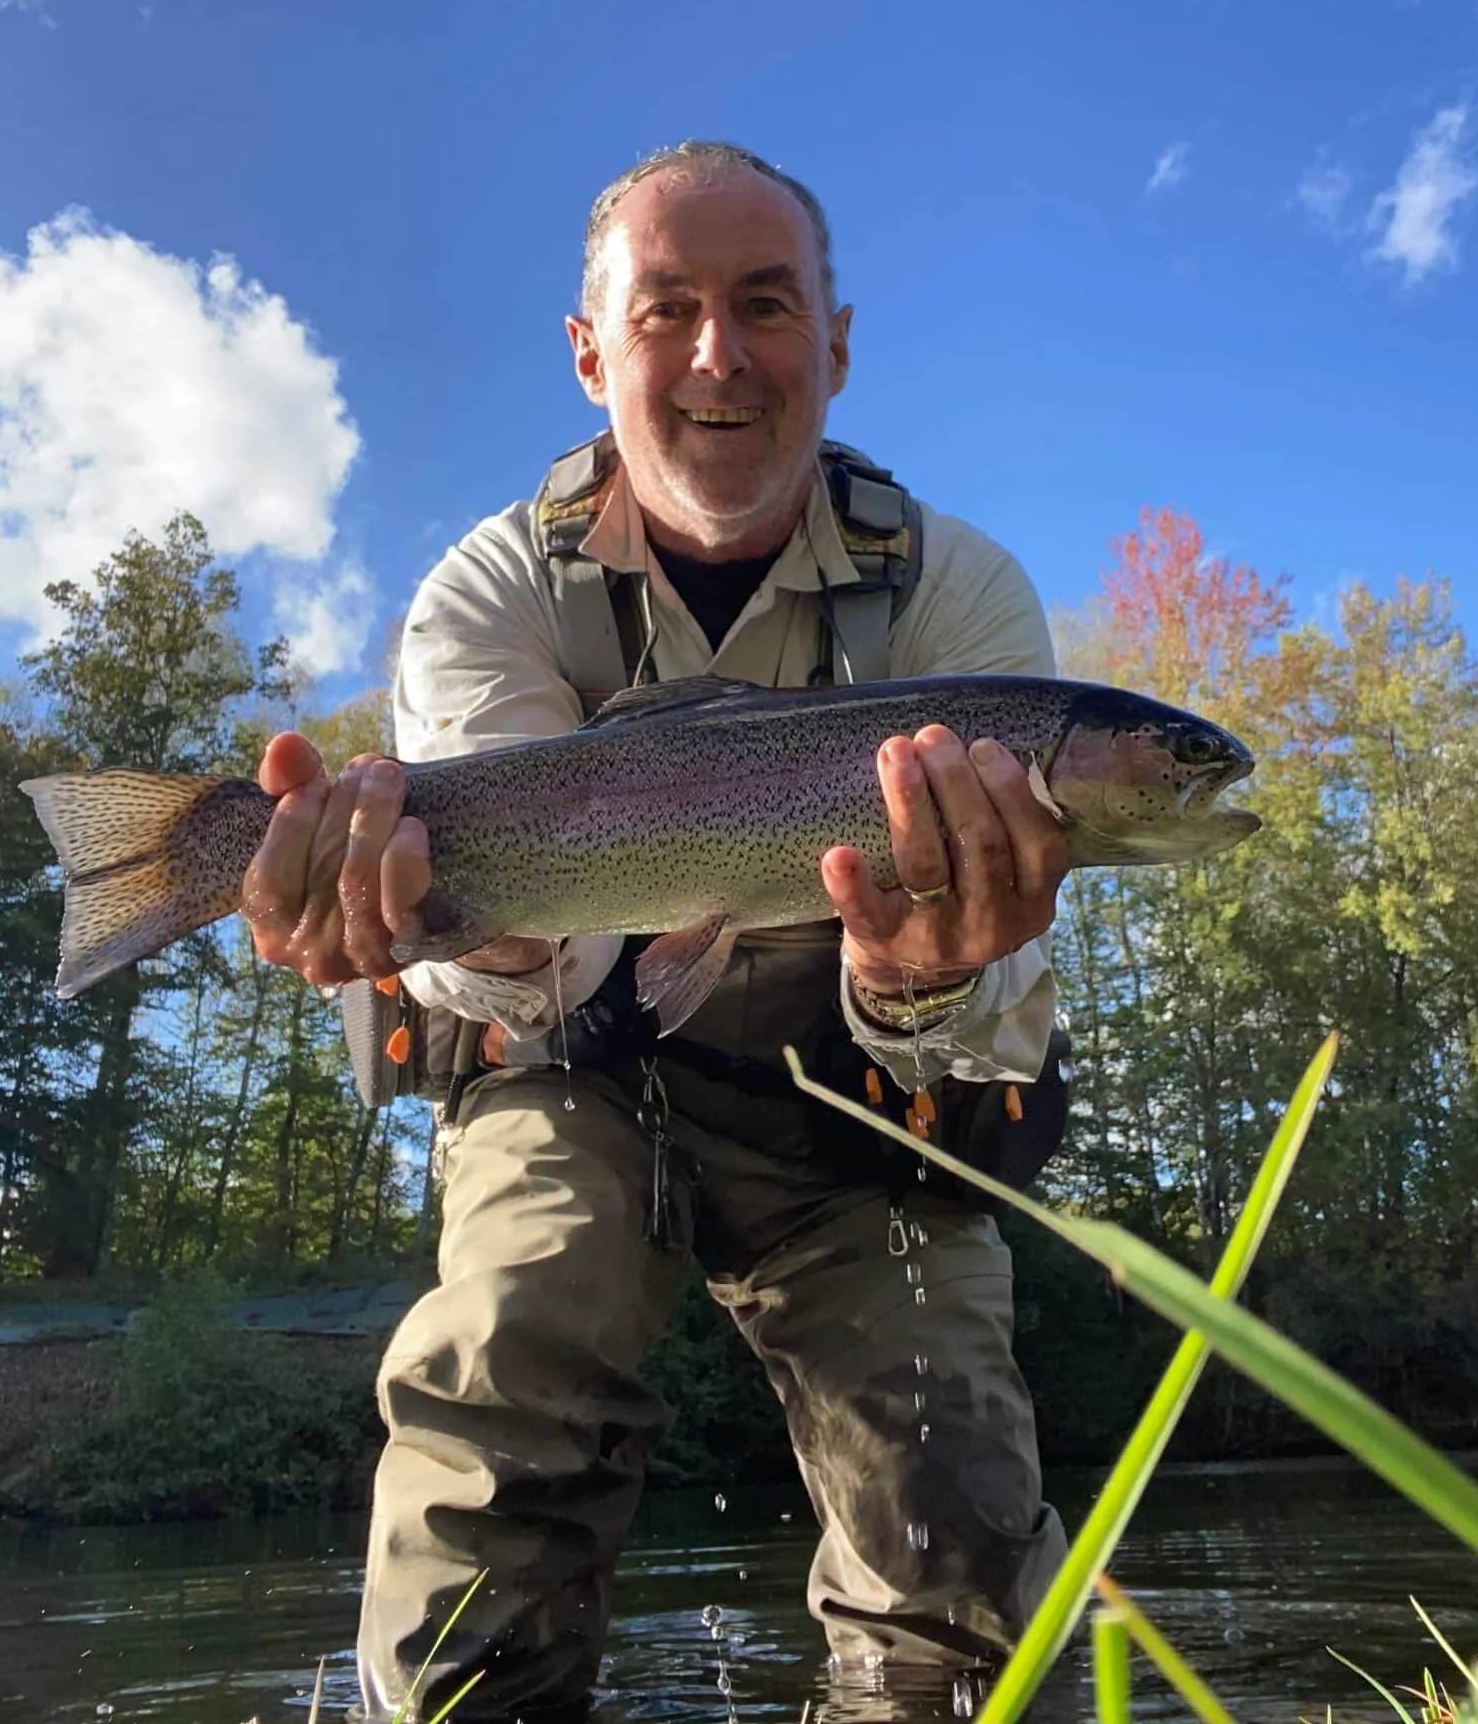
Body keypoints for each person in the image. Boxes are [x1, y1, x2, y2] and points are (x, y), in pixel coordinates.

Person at [239, 141, 1072, 1721]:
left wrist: (926, 975)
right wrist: (421, 925)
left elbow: (999, 1015)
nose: (718, 355)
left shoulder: (961, 598)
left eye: (766, 305)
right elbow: (512, 950)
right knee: (505, 1375)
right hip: (568, 1061)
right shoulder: (489, 588)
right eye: (667, 308)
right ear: (589, 351)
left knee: (950, 1500)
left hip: (854, 1095)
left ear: (834, 341)